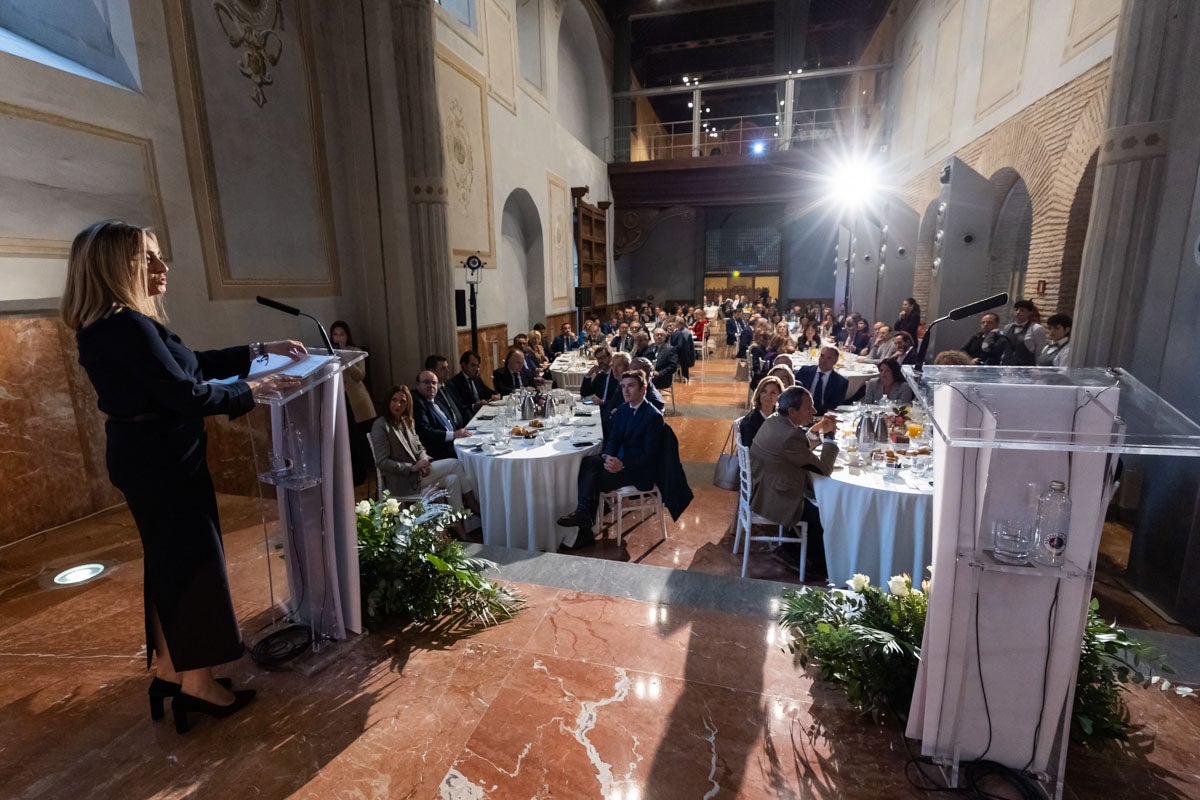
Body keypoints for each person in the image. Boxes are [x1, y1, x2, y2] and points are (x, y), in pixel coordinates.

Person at [62, 220, 305, 731]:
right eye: (147, 257)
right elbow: (187, 395)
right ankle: (198, 684)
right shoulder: (125, 326)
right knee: (195, 567)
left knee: (170, 564)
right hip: (162, 462)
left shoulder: (117, 324)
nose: (161, 265)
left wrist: (259, 351)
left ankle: (173, 671)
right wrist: (254, 391)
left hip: (150, 457)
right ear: (115, 266)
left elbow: (190, 365)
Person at [557, 370, 665, 550]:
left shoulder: (652, 416)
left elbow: (650, 455)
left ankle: (584, 530)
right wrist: (607, 456)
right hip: (618, 461)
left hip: (638, 470)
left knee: (595, 480)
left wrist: (622, 465)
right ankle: (584, 513)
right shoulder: (624, 409)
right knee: (588, 462)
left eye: (631, 386)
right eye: (623, 386)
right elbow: (613, 439)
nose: (626, 391)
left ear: (643, 389)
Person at [749, 386, 838, 578]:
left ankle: (791, 549)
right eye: (809, 408)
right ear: (792, 411)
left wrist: (815, 429)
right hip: (775, 498)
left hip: (762, 486)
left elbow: (797, 450)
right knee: (822, 513)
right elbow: (824, 470)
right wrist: (830, 437)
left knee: (816, 503)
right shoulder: (791, 435)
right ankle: (817, 565)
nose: (814, 412)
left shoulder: (775, 420)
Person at [369, 385, 480, 536]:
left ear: (408, 403)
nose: (398, 405)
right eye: (394, 400)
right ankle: (472, 503)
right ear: (388, 401)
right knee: (455, 464)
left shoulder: (407, 421)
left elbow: (420, 447)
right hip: (403, 480)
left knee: (453, 479)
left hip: (419, 473)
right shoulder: (381, 425)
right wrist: (412, 467)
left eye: (402, 401)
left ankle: (460, 529)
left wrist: (424, 460)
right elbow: (382, 462)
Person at [330, 320, 375, 487]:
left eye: (341, 334)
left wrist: (345, 359)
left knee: (363, 438)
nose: (338, 337)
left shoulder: (356, 351)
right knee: (349, 439)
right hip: (340, 399)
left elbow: (360, 375)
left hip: (358, 401)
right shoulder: (328, 353)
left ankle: (368, 472)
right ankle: (355, 475)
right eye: (335, 334)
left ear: (347, 335)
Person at [412, 369, 471, 460]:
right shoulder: (417, 402)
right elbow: (425, 431)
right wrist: (454, 434)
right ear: (418, 385)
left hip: (456, 444)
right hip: (441, 452)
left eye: (434, 383)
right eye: (426, 382)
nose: (431, 386)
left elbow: (451, 422)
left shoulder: (438, 400)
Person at [794, 346, 849, 415]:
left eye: (828, 358)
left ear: (835, 361)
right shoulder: (805, 371)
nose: (823, 360)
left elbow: (835, 407)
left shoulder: (841, 382)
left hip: (823, 415)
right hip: (800, 411)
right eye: (822, 356)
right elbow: (793, 392)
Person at [1000, 300, 1047, 366]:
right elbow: (1005, 349)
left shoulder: (1036, 329)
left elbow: (1040, 351)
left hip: (1025, 368)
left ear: (1030, 312)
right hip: (1006, 367)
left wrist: (1038, 368)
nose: (1018, 312)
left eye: (1022, 310)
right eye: (1016, 310)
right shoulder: (1007, 327)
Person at [741, 376, 783, 448]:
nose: (768, 396)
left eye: (773, 393)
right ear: (759, 394)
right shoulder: (750, 422)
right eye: (764, 391)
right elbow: (750, 449)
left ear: (779, 396)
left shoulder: (780, 417)